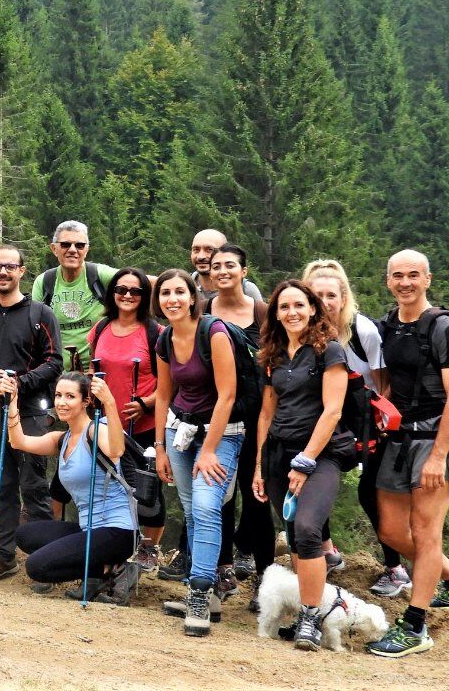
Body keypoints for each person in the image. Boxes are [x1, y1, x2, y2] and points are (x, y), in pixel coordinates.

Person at [366, 250, 449, 658]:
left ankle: (415, 627)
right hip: (399, 440)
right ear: (388, 281)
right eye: (398, 276)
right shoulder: (386, 327)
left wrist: (438, 457)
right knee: (391, 531)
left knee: (425, 532)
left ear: (428, 279)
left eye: (413, 275)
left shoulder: (445, 329)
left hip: (437, 438)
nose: (405, 282)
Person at [252, 280, 349, 651]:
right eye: (283, 307)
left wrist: (305, 461)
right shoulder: (273, 355)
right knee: (294, 533)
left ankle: (311, 616)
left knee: (309, 529)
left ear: (312, 309)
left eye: (299, 305)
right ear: (275, 313)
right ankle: (309, 613)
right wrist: (260, 465)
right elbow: (266, 413)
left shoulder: (330, 351)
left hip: (319, 455)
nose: (291, 312)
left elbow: (333, 410)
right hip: (276, 453)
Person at [302, 259, 408, 597]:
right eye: (317, 295)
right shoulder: (303, 332)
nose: (325, 302)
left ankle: (395, 568)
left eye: (331, 295)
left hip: (367, 421)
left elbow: (383, 383)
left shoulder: (362, 331)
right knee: (312, 479)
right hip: (324, 419)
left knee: (370, 492)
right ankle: (327, 551)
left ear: (344, 297)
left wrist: (373, 424)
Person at [0, 244, 62, 583]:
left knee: (33, 486)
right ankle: (3, 557)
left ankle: (46, 563)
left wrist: (20, 383)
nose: (3, 273)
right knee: (1, 484)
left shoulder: (40, 314)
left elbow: (54, 362)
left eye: (10, 267)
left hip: (31, 413)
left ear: (22, 271)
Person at [152, 269, 241, 637]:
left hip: (221, 433)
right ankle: (202, 590)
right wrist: (158, 445)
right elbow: (162, 394)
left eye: (178, 292)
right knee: (191, 510)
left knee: (206, 507)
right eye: (164, 293)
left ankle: (201, 594)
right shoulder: (166, 339)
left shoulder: (214, 332)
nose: (171, 299)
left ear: (193, 298)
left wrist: (209, 449)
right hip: (180, 430)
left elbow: (228, 395)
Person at [7, 372, 137, 598]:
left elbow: (116, 451)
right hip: (88, 528)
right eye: (58, 395)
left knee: (37, 567)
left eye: (70, 396)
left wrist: (109, 402)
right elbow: (19, 442)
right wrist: (13, 401)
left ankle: (115, 569)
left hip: (118, 531)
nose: (61, 402)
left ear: (86, 401)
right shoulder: (62, 438)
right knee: (26, 535)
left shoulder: (97, 430)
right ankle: (99, 574)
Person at [202, 244, 274, 603]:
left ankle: (265, 578)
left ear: (245, 271)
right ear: (210, 275)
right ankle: (222, 572)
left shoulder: (263, 313)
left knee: (257, 499)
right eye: (217, 266)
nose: (223, 271)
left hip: (259, 418)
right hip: (218, 418)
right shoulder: (203, 311)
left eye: (230, 265)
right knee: (221, 498)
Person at [87, 267, 165, 571]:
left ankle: (150, 546)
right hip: (106, 424)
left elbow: (169, 384)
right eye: (122, 290)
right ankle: (116, 545)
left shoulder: (155, 333)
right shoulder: (101, 328)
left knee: (147, 490)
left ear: (145, 296)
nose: (128, 296)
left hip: (142, 425)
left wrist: (145, 404)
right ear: (112, 293)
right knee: (111, 488)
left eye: (136, 291)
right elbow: (94, 370)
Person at [31, 220, 117, 366]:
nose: (72, 250)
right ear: (54, 248)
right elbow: (34, 330)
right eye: (65, 244)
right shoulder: (44, 282)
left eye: (79, 245)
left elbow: (138, 281)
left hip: (98, 371)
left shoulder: (100, 275)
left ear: (87, 249)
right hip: (57, 374)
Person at [189, 229, 263, 302]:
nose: (200, 257)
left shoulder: (247, 290)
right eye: (196, 250)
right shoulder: (184, 286)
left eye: (209, 249)